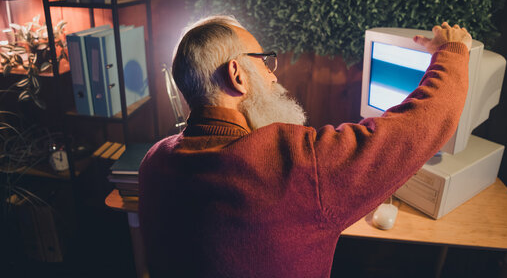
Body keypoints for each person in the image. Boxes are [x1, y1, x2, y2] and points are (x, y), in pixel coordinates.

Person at [139, 16, 471, 277]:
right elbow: (418, 127)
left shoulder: (153, 163)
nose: (273, 78)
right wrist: (452, 52)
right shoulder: (294, 163)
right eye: (265, 63)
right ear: (237, 75)